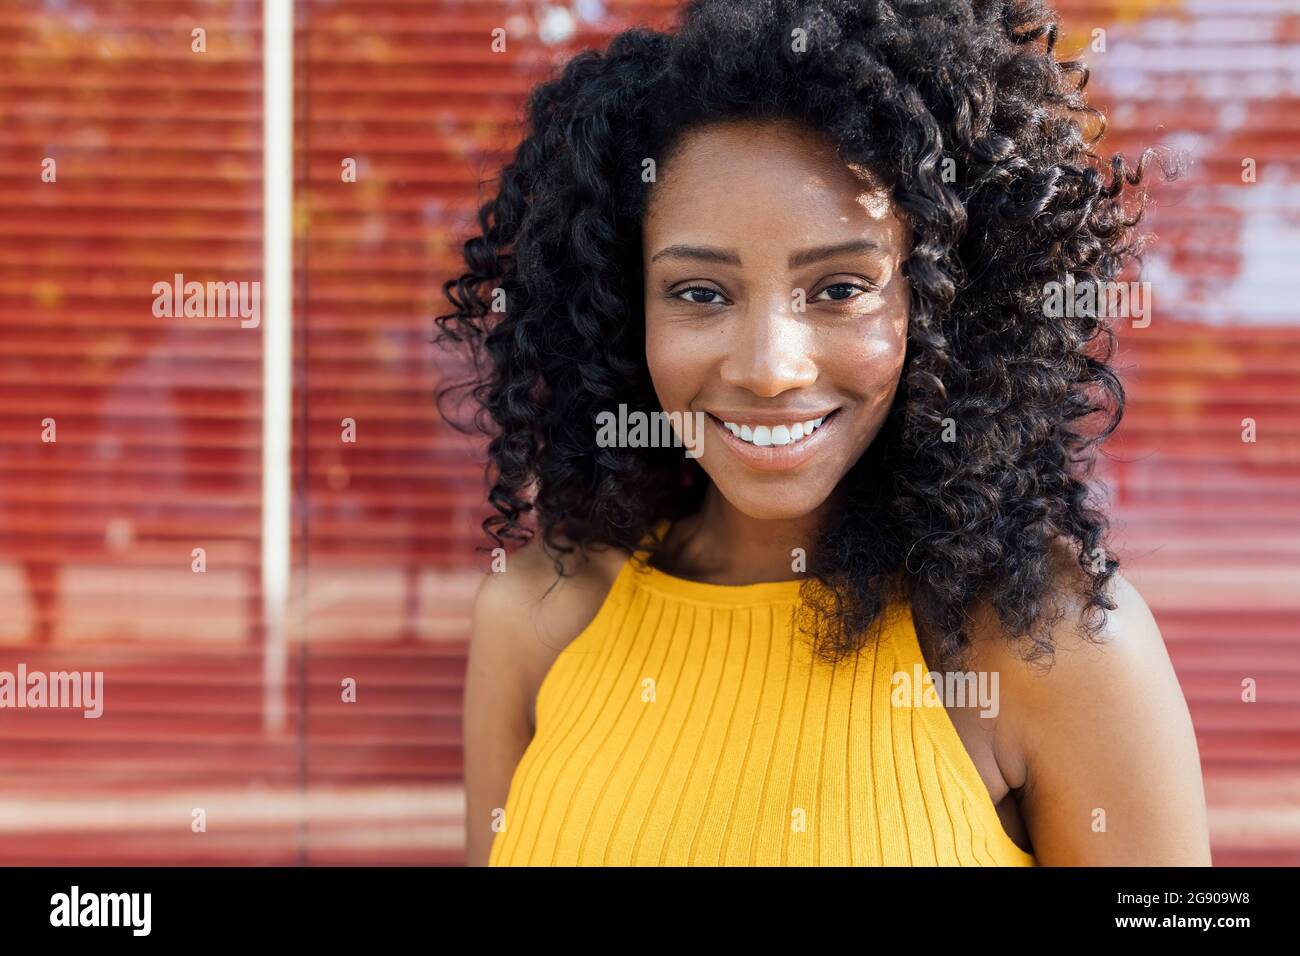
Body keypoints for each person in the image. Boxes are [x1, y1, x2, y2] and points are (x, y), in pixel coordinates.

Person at [442, 0, 1210, 866]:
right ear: (622, 311)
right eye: (700, 293)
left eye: (841, 288)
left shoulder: (1048, 643)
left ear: (946, 302)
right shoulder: (539, 617)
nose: (770, 367)